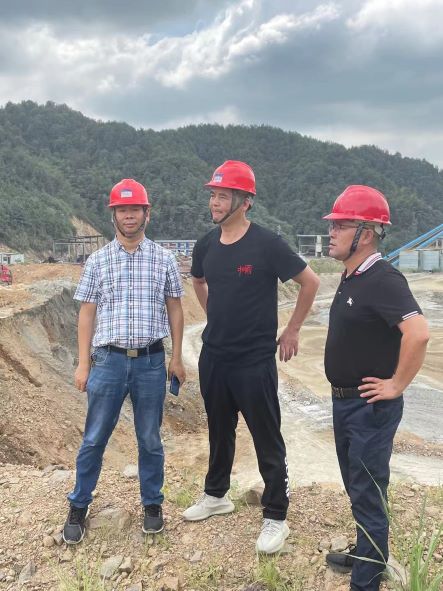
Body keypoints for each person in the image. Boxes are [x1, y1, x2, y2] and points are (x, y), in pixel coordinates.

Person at [183, 160, 320, 554]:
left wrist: (292, 330)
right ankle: (216, 495)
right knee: (219, 429)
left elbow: (310, 282)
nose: (214, 202)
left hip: (254, 361)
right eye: (213, 195)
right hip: (214, 356)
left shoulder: (267, 244)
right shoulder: (206, 245)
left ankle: (276, 515)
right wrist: (213, 314)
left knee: (266, 436)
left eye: (222, 196)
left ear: (244, 202)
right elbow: (198, 279)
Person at [63, 179, 186, 544]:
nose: (128, 216)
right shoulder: (98, 260)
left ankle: (152, 505)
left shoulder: (164, 259)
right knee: (94, 438)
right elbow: (87, 314)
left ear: (147, 213)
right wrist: (83, 363)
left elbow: (175, 309)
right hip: (108, 362)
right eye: (122, 210)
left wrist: (177, 357)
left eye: (135, 209)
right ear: (113, 215)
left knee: (149, 439)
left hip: (150, 362)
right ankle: (78, 505)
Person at [323, 185, 429, 590]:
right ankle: (368, 553)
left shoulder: (384, 279)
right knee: (358, 486)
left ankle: (366, 580)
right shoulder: (353, 276)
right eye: (332, 225)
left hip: (368, 409)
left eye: (340, 225)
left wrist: (396, 384)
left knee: (367, 492)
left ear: (365, 234)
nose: (331, 232)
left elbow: (418, 333)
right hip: (345, 403)